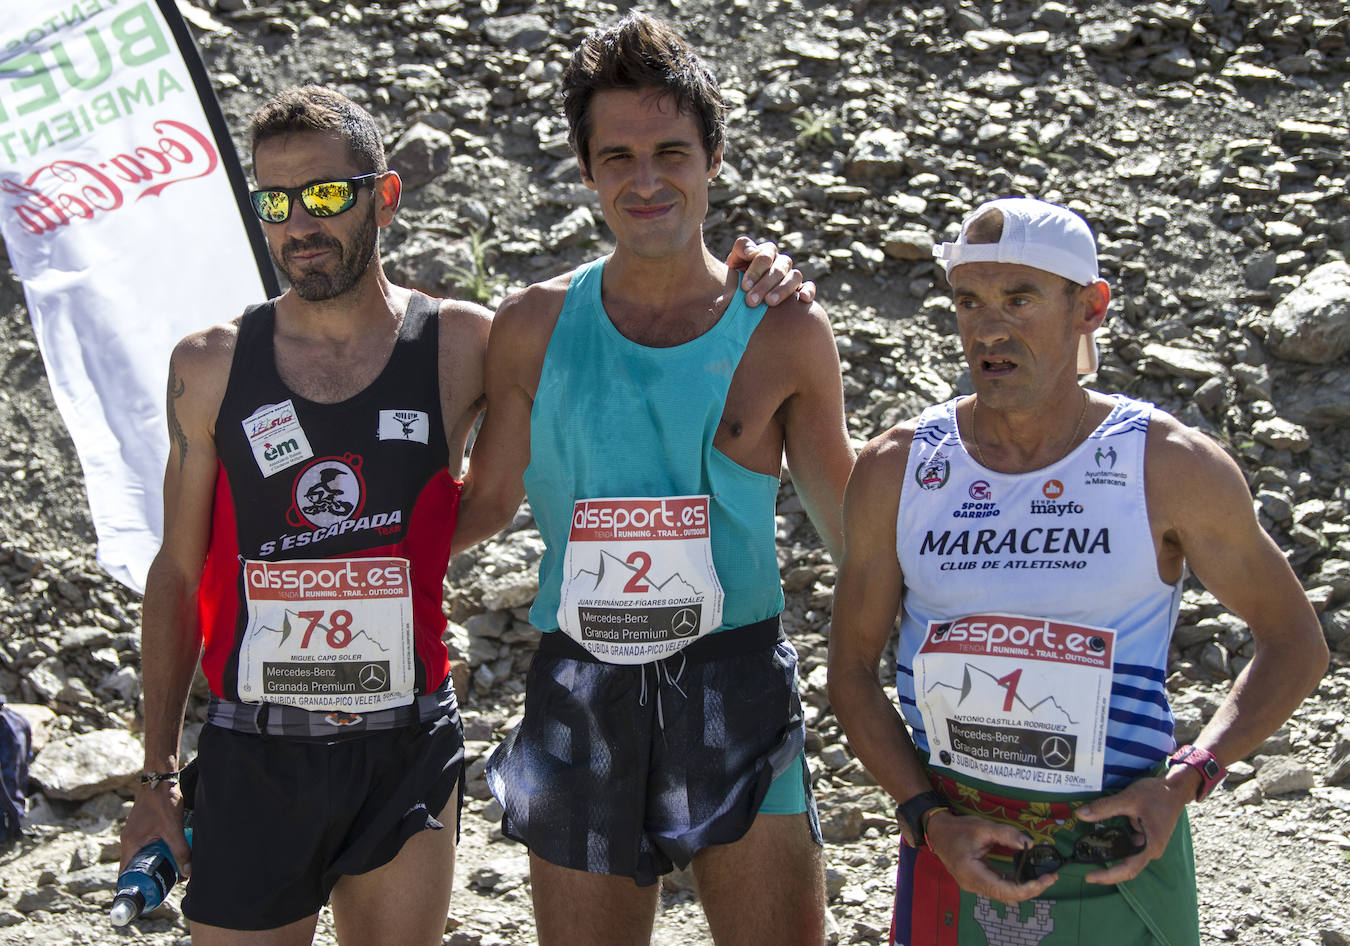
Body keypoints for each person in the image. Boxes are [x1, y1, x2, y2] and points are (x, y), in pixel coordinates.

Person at [117, 85, 808, 945]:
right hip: (255, 741)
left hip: (405, 735)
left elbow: (497, 480)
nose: (301, 223)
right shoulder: (212, 364)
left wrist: (757, 270)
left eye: (328, 195)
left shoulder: (465, 344)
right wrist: (154, 776)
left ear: (386, 196)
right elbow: (177, 573)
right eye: (275, 202)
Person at [451, 12, 855, 946]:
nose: (646, 179)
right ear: (587, 170)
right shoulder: (533, 325)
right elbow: (485, 501)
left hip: (734, 677)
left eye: (672, 150)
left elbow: (852, 529)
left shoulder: (785, 328)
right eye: (618, 155)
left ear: (712, 159)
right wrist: (339, 540)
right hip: (582, 684)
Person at [827, 196, 1329, 945]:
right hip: (959, 850)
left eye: (1019, 300)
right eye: (969, 301)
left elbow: (1296, 644)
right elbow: (850, 669)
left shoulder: (1167, 465)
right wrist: (928, 819)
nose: (988, 328)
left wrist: (1188, 779)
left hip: (1116, 855)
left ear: (1089, 308)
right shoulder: (900, 466)